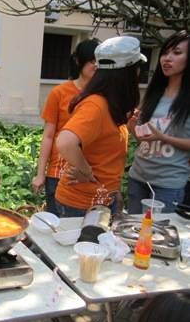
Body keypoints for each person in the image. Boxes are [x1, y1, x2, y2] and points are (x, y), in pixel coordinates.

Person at [54, 36, 146, 217]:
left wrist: (114, 192)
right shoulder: (97, 105)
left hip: (101, 202)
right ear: (127, 73)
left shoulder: (111, 104)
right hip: (81, 205)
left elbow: (105, 158)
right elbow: (65, 142)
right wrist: (85, 170)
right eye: (136, 68)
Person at [32, 38, 100, 214]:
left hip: (88, 175)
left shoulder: (103, 97)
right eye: (92, 61)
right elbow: (48, 136)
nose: (97, 66)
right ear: (79, 61)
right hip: (57, 174)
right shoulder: (59, 93)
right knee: (55, 228)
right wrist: (40, 174)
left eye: (100, 61)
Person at [127, 30, 190, 214]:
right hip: (138, 177)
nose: (167, 58)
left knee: (158, 238)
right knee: (133, 236)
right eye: (165, 52)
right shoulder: (153, 93)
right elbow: (145, 140)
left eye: (177, 53)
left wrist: (163, 137)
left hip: (168, 184)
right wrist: (132, 127)